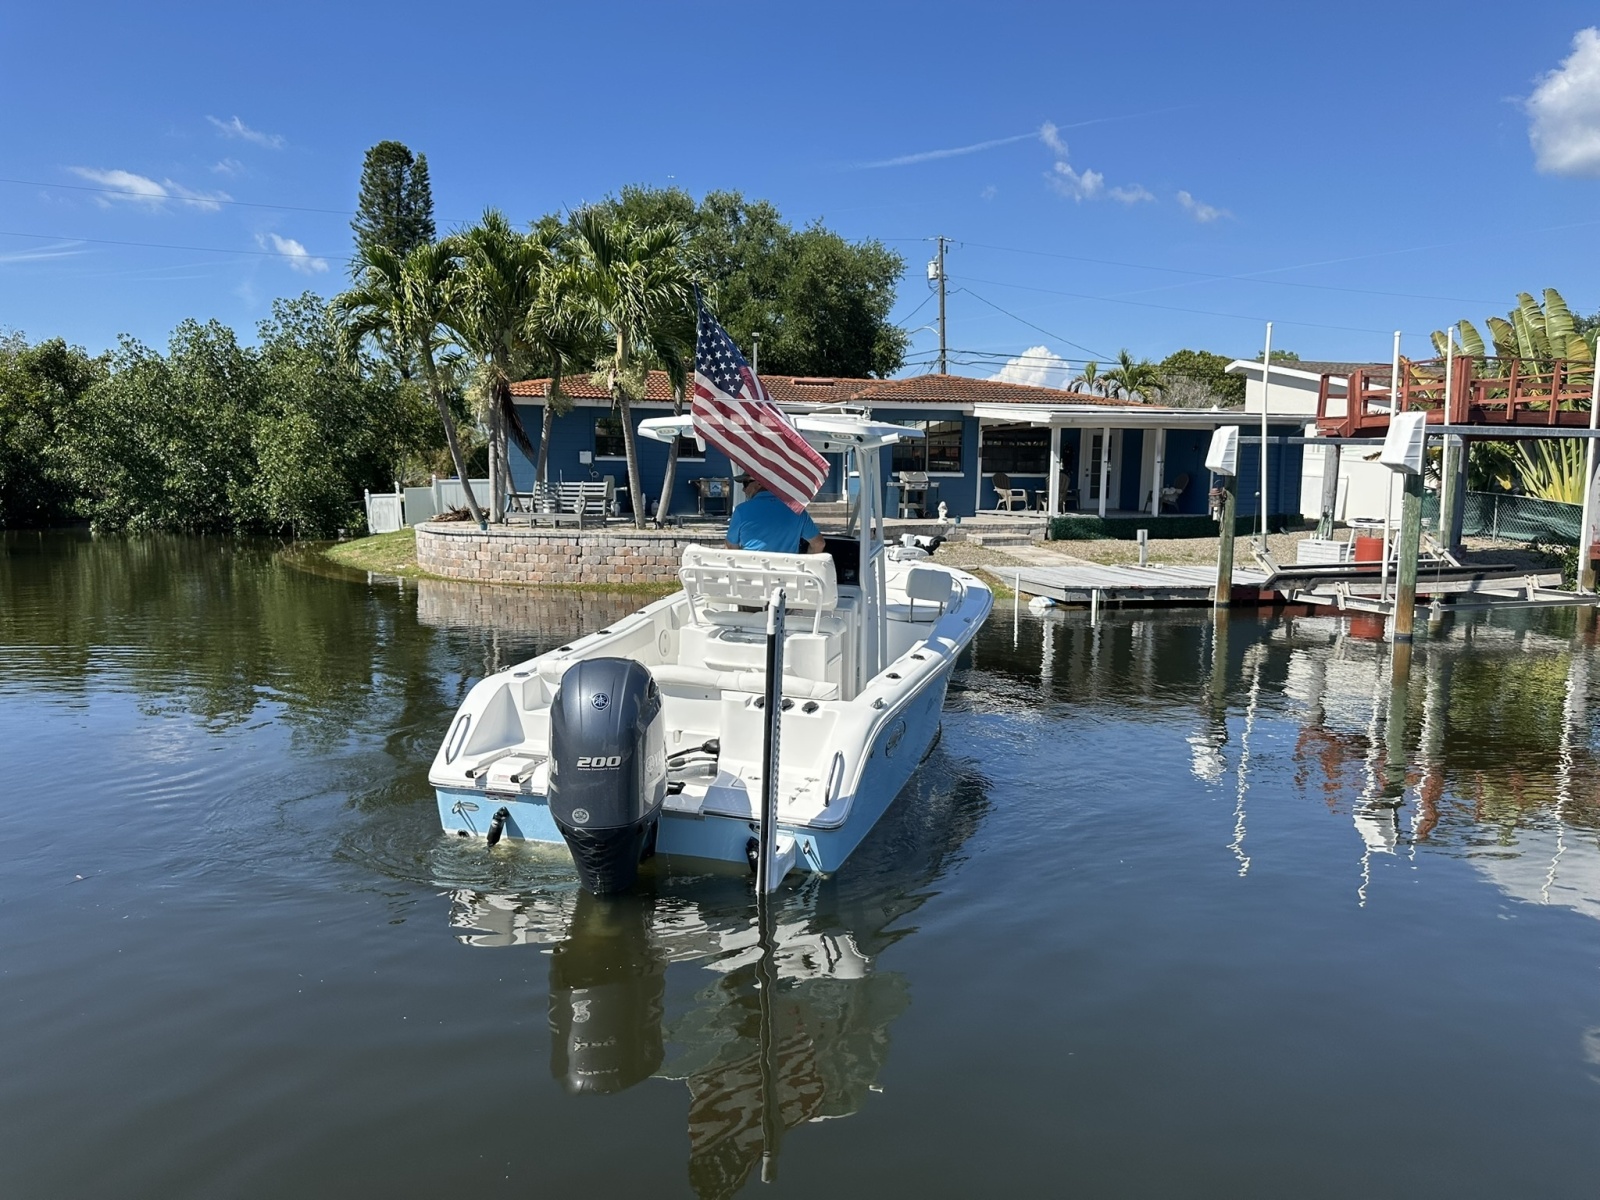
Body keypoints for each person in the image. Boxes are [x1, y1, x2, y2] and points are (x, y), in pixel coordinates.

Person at [725, 473, 825, 554]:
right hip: (788, 571)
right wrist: (806, 563)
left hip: (753, 571)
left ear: (759, 483)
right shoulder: (797, 510)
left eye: (745, 484)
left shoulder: (741, 510)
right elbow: (819, 544)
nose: (743, 489)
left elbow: (731, 547)